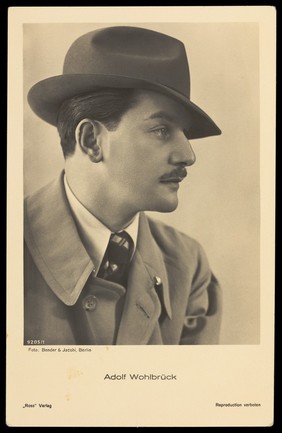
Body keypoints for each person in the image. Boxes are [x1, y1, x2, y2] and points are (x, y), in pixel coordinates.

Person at [24, 26, 222, 345]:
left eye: (184, 132)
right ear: (91, 140)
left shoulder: (187, 263)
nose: (188, 155)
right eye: (161, 129)